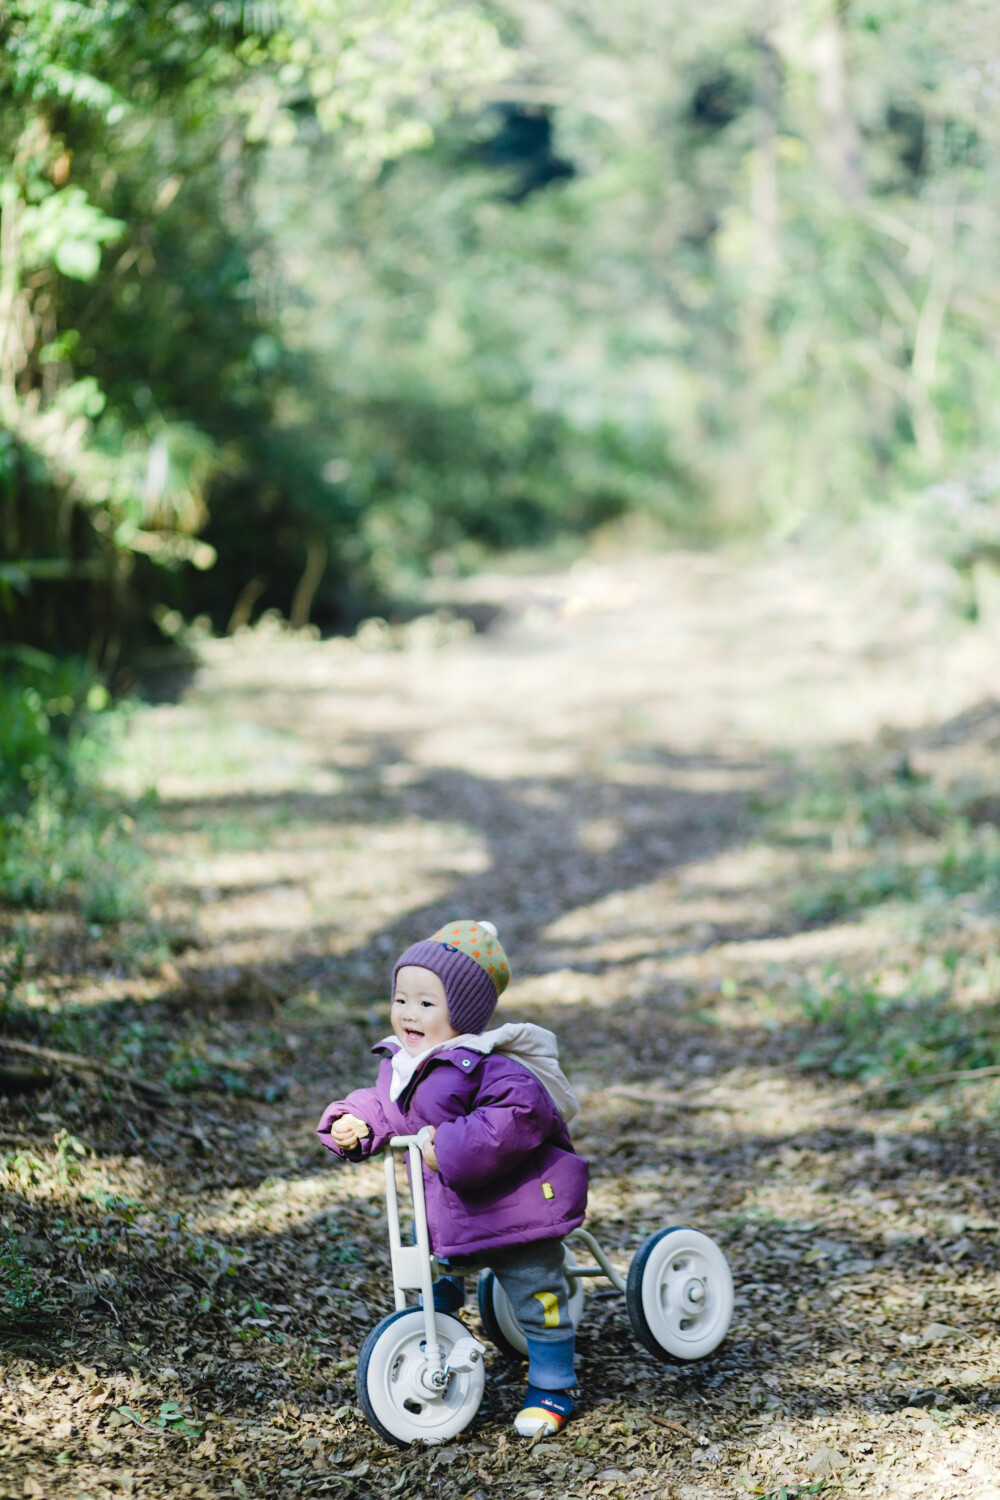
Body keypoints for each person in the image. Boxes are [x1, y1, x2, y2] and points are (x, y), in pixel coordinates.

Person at [317, 918, 589, 1437]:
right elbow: (391, 1110)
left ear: (461, 1013)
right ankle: (432, 1338)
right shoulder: (404, 1064)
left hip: (514, 1210)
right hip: (448, 1211)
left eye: (425, 1003)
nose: (407, 1014)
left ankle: (553, 1384)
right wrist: (356, 1122)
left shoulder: (493, 1068)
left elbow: (513, 1119)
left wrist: (448, 1147)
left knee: (537, 1292)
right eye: (401, 999)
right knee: (431, 1276)